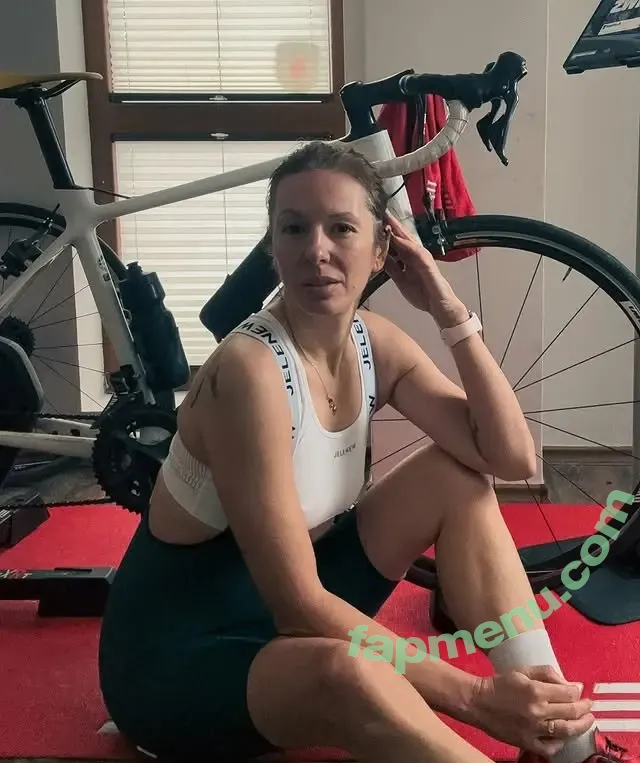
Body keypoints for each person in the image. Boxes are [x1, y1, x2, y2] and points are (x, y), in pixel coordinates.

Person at [98, 140, 635, 763]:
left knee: (456, 479)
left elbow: (512, 459)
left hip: (286, 612)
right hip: (180, 656)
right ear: (273, 249)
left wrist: (448, 310)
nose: (316, 250)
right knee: (350, 674)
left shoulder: (372, 341)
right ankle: (521, 725)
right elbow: (297, 604)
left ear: (382, 248)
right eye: (294, 229)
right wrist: (477, 697)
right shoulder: (247, 373)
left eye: (341, 228)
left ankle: (562, 742)